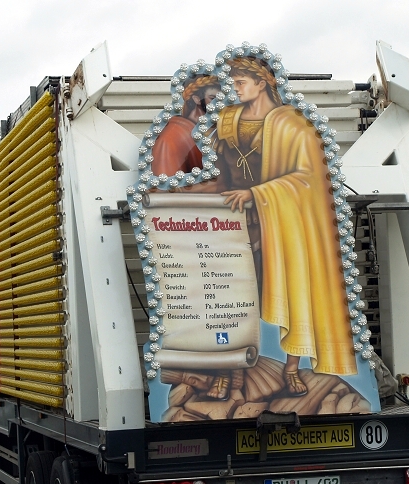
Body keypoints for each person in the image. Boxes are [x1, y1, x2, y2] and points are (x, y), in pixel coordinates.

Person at [214, 57, 357, 395]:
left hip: (282, 222)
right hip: (235, 221)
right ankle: (228, 370)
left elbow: (308, 178)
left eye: (240, 82)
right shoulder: (225, 120)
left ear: (262, 83)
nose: (234, 89)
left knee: (296, 287)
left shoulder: (295, 125)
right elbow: (215, 167)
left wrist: (257, 193)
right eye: (232, 83)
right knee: (230, 298)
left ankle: (291, 368)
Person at [151, 76, 220, 176]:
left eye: (222, 100)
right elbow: (166, 181)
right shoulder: (173, 136)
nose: (219, 104)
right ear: (197, 99)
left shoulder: (210, 132)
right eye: (213, 99)